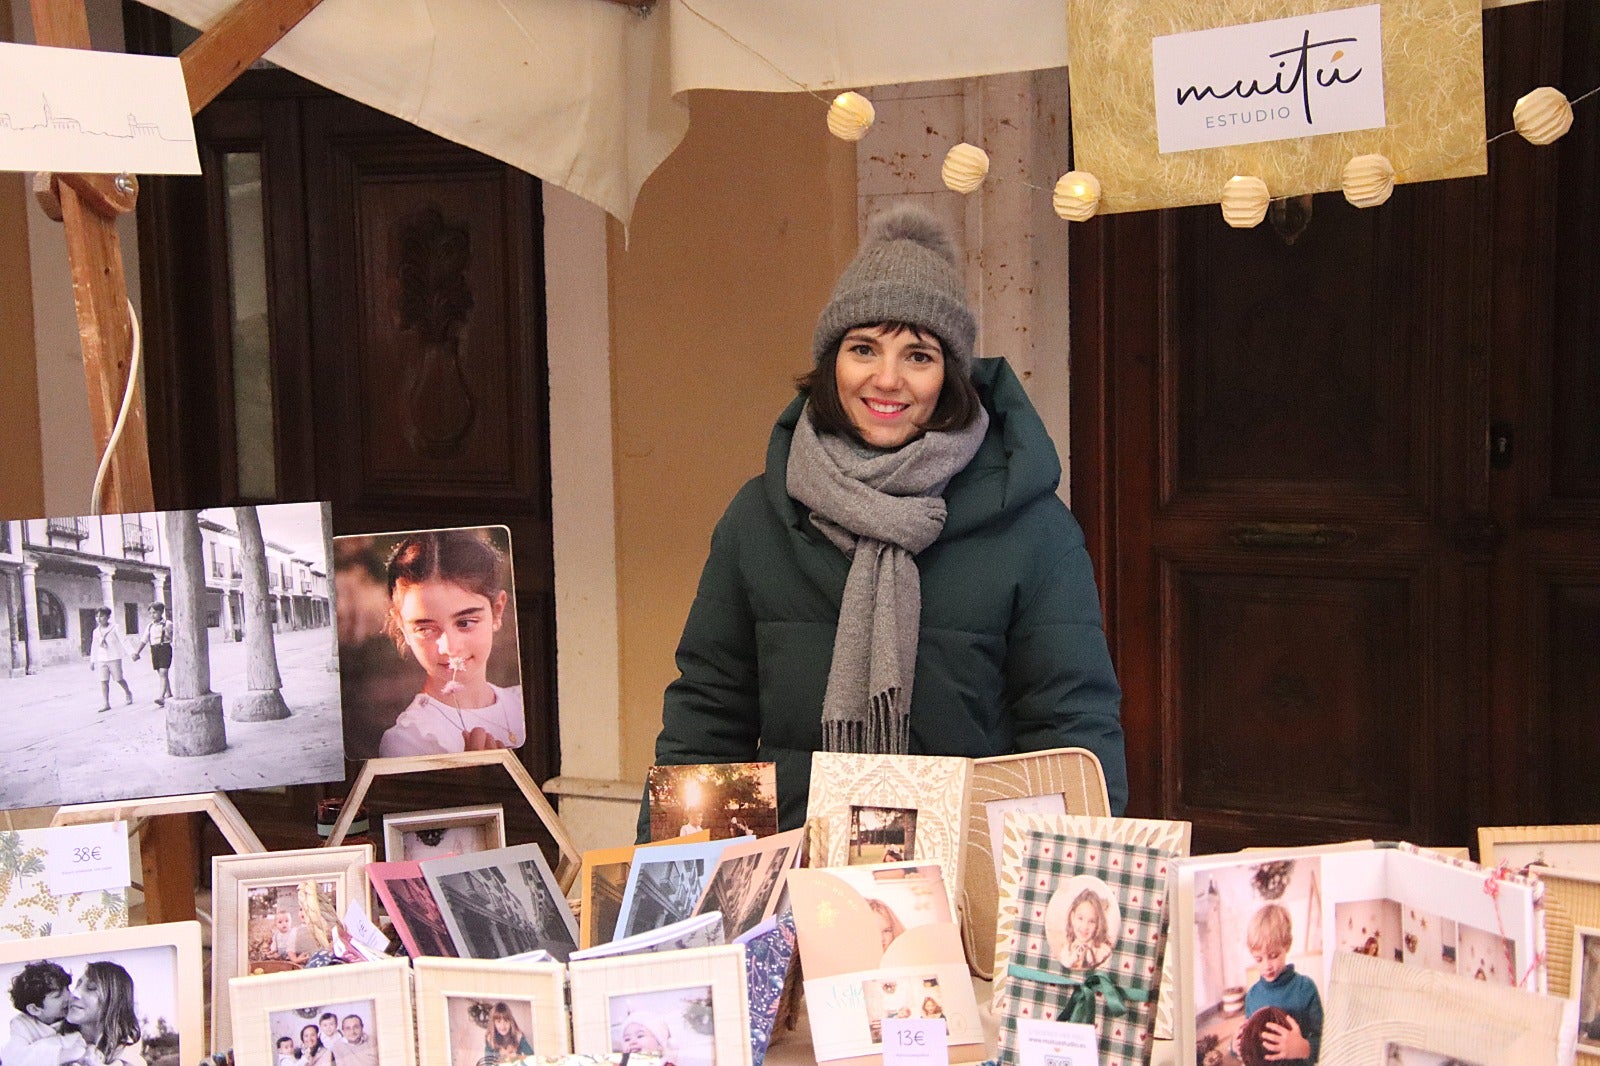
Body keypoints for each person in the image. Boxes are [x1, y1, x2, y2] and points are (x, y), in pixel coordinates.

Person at [641, 203, 1125, 836]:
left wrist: (1082, 885)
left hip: (961, 889)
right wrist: (674, 884)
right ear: (830, 363)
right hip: (792, 875)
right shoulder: (760, 517)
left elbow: (1072, 729)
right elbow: (709, 715)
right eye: (863, 348)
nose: (887, 380)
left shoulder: (1034, 532)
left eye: (918, 356)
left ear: (952, 374)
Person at [376, 530, 525, 757]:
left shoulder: (523, 702)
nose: (450, 648)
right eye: (425, 629)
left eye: (465, 622)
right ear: (402, 626)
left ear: (497, 611)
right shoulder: (410, 741)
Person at [1233, 903, 1322, 1064]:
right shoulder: (1252, 995)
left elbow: (1326, 1043)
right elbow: (1250, 1039)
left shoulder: (1305, 988)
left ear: (1287, 945)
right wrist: (1236, 1047)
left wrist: (1303, 1047)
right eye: (1258, 959)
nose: (1266, 966)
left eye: (1273, 955)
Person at [4, 960, 88, 1066]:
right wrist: (63, 1054)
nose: (69, 997)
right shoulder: (22, 1024)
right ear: (35, 1009)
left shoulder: (74, 1015)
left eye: (67, 989)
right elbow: (12, 1059)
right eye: (58, 996)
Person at [64, 961, 145, 1066]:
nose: (75, 993)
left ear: (113, 1001)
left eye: (91, 988)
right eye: (77, 985)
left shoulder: (129, 1059)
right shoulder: (50, 1042)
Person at [88, 607, 135, 712]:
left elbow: (124, 640)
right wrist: (92, 660)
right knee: (103, 680)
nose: (99, 618)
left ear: (108, 617)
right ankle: (106, 703)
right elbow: (94, 646)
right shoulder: (96, 631)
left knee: (118, 678)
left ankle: (127, 692)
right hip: (102, 658)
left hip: (114, 657)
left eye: (101, 616)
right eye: (97, 616)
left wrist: (131, 652)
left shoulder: (115, 628)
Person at [129, 602, 173, 706]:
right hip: (154, 650)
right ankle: (169, 693)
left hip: (165, 648)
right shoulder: (150, 626)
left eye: (155, 612)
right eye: (151, 613)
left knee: (163, 672)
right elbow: (144, 640)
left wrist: (167, 634)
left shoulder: (168, 623)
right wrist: (137, 652)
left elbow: (173, 638)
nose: (152, 615)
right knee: (161, 673)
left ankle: (161, 697)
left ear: (161, 612)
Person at [1061, 887, 1114, 970]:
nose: (1085, 927)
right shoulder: (1066, 951)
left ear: (1098, 924)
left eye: (1091, 921)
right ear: (1072, 917)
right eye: (1080, 918)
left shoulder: (1102, 951)